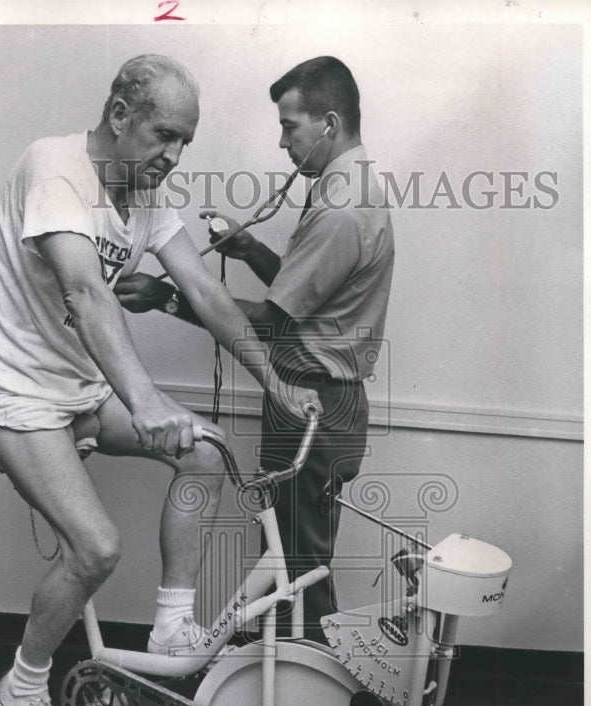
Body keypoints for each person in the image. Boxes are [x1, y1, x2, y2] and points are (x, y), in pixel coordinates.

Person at [0, 54, 319, 706]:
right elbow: (87, 292)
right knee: (95, 547)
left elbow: (206, 296)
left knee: (206, 453)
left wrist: (273, 380)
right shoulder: (55, 168)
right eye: (164, 134)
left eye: (185, 140)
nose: (174, 155)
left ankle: (171, 620)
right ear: (119, 116)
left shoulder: (145, 194)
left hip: (76, 386)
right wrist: (147, 403)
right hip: (11, 386)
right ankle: (23, 687)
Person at [115, 55, 394, 647]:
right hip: (326, 402)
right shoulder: (353, 186)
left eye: (291, 127)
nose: (283, 142)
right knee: (291, 558)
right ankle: (272, 695)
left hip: (311, 402)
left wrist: (169, 300)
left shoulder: (342, 208)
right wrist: (248, 249)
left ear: (329, 122)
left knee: (297, 573)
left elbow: (272, 318)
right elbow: (309, 292)